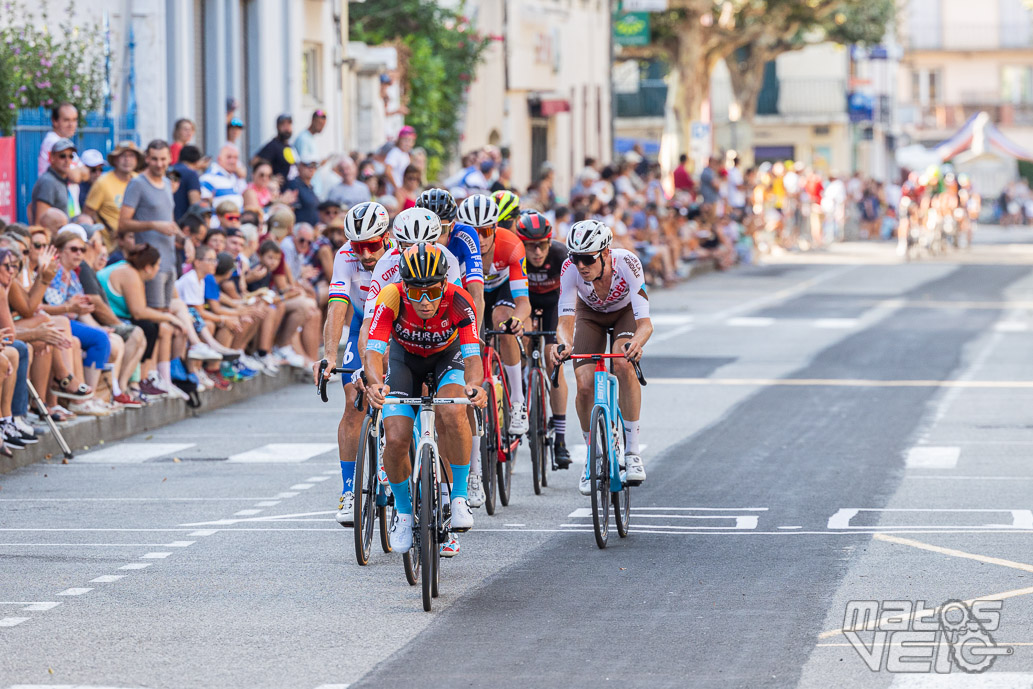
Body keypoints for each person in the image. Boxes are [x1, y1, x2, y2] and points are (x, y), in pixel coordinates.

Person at [363, 244, 487, 556]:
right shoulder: (390, 297)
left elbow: (473, 355)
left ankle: (457, 497)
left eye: (431, 290)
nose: (424, 300)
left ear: (444, 283)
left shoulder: (460, 300)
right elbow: (375, 350)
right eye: (415, 292)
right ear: (404, 286)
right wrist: (376, 383)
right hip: (405, 361)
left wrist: (474, 385)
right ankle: (403, 513)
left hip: (448, 358)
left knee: (454, 410)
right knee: (395, 437)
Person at [550, 220, 653, 494]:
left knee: (621, 361)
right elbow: (565, 320)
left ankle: (631, 453)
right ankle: (593, 458)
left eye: (588, 258)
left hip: (625, 314)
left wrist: (637, 343)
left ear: (606, 253)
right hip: (590, 316)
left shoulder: (628, 263)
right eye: (575, 258)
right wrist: (563, 344)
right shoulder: (570, 269)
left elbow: (645, 324)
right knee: (583, 384)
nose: (581, 265)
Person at [317, 201, 391, 524]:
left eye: (371, 245)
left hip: (397, 325)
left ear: (386, 237)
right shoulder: (345, 255)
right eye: (358, 246)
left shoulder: (399, 254)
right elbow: (336, 308)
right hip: (362, 322)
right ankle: (349, 491)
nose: (364, 254)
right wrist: (330, 356)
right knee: (352, 402)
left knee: (400, 395)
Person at [458, 194, 530, 435]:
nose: (479, 239)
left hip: (501, 290)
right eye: (472, 231)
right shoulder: (456, 247)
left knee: (504, 320)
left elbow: (523, 302)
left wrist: (517, 319)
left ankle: (518, 401)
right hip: (472, 292)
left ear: (495, 228)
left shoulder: (511, 245)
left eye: (486, 232)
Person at [515, 210, 571, 467]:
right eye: (531, 246)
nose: (537, 252)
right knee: (520, 338)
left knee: (553, 362)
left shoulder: (561, 256)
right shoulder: (516, 257)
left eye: (542, 246)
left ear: (550, 243)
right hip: (526, 303)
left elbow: (572, 298)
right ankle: (522, 378)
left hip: (552, 306)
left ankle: (560, 439)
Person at [98, 244, 186, 398]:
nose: (158, 269)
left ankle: (139, 381)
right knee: (148, 329)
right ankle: (128, 384)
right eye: (157, 265)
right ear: (147, 267)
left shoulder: (128, 269)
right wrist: (171, 318)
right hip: (107, 319)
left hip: (117, 317)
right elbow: (139, 312)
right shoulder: (130, 274)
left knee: (155, 327)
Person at [42, 231, 113, 416]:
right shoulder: (54, 271)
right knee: (97, 339)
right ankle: (81, 398)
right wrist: (71, 308)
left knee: (102, 336)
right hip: (57, 319)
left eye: (82, 249)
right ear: (59, 250)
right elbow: (55, 306)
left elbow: (80, 311)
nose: (79, 253)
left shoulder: (73, 274)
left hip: (68, 319)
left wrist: (99, 327)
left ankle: (89, 396)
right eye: (74, 249)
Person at [118, 140, 180, 313]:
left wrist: (186, 240)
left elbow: (170, 221)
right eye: (154, 159)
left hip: (169, 260)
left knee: (166, 314)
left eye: (162, 159)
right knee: (156, 316)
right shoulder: (138, 184)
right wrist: (152, 225)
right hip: (149, 262)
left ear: (169, 159)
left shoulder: (167, 184)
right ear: (147, 159)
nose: (159, 164)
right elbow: (123, 223)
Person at [84, 141, 144, 239]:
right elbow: (87, 215)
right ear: (115, 160)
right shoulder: (102, 183)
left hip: (137, 243)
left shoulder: (140, 181)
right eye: (123, 156)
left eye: (131, 156)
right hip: (111, 246)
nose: (127, 160)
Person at [31, 138, 81, 223]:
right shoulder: (48, 182)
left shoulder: (61, 179)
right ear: (52, 157)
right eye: (62, 156)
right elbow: (40, 221)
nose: (67, 160)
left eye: (70, 156)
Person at [37, 103, 87, 185]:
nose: (71, 125)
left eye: (74, 120)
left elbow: (86, 173)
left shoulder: (65, 142)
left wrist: (80, 171)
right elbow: (75, 177)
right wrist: (79, 171)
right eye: (66, 120)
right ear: (55, 121)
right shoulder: (53, 142)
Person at [200, 144, 247, 212]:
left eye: (235, 157)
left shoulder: (233, 176)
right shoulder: (209, 177)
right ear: (219, 159)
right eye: (229, 157)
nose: (232, 161)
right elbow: (203, 207)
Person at [254, 114, 295, 181]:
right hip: (278, 189)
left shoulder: (289, 146)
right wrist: (270, 177)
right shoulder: (273, 145)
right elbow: (255, 161)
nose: (287, 128)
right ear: (277, 127)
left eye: (289, 124)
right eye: (283, 125)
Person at [171, 145, 203, 221]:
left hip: (166, 223)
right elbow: (195, 204)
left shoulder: (170, 170)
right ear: (197, 162)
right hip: (183, 223)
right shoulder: (191, 174)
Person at [286, 158, 320, 225]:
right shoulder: (294, 184)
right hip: (300, 228)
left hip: (312, 229)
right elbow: (291, 209)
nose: (311, 169)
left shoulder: (310, 187)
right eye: (308, 165)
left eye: (314, 166)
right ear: (299, 167)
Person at [384, 125, 416, 193]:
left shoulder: (406, 155)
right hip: (394, 192)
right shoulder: (395, 152)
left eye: (410, 141)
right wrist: (397, 188)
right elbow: (388, 171)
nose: (407, 143)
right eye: (405, 140)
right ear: (399, 140)